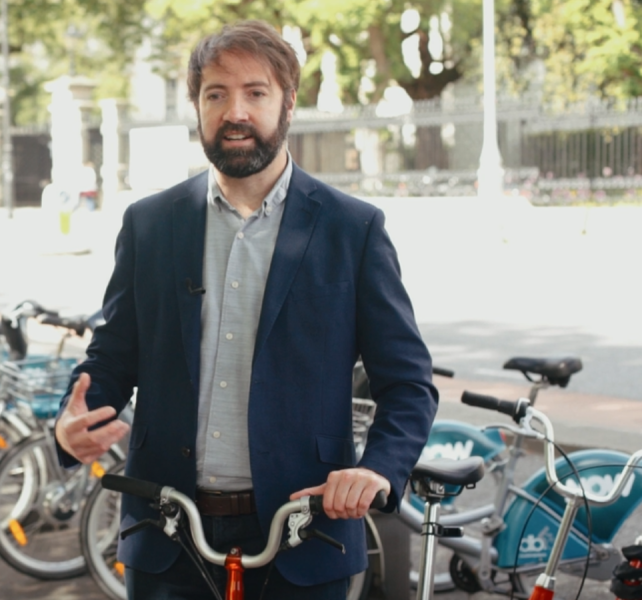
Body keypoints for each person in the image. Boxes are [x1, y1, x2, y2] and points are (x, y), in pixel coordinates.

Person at [54, 20, 437, 599]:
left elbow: (408, 383)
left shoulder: (352, 229)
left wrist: (378, 469)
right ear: (197, 106)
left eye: (255, 92)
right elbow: (112, 359)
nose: (236, 111)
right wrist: (71, 422)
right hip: (167, 537)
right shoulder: (151, 224)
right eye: (216, 94)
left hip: (306, 540)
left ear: (287, 104)